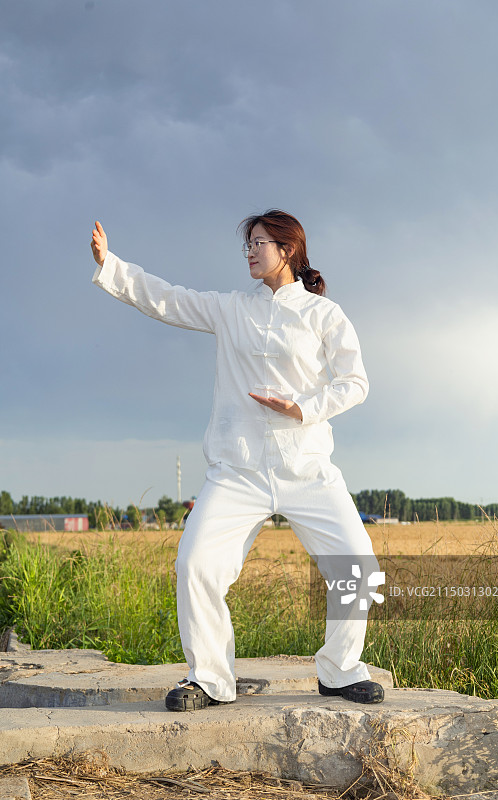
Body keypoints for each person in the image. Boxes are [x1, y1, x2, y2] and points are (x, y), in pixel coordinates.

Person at [90, 210, 384, 711]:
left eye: (260, 243)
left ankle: (339, 671)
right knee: (195, 563)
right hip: (238, 470)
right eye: (247, 243)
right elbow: (168, 299)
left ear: (287, 250)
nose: (250, 251)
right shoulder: (230, 309)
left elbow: (355, 383)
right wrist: (112, 265)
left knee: (358, 567)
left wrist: (303, 408)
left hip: (307, 468)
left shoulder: (323, 315)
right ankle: (208, 678)